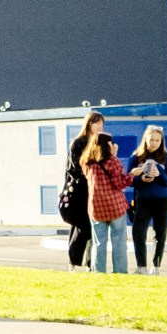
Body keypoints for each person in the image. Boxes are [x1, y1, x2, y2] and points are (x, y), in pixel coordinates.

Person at [61, 110, 105, 270]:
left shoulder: (102, 144)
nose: (99, 126)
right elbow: (73, 168)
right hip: (79, 192)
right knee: (81, 227)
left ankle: (89, 263)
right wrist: (89, 176)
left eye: (101, 123)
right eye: (96, 123)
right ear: (89, 124)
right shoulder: (78, 143)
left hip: (95, 191)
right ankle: (73, 262)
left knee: (92, 228)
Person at [83, 131, 131, 274]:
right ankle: (120, 272)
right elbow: (120, 183)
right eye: (111, 142)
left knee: (99, 243)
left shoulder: (86, 162)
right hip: (115, 207)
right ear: (107, 144)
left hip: (96, 208)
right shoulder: (113, 161)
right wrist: (132, 175)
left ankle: (99, 272)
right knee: (119, 242)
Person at [130, 125, 167, 275]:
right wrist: (141, 178)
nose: (154, 143)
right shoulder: (136, 156)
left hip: (162, 199)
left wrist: (159, 173)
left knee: (160, 233)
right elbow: (129, 179)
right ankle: (141, 266)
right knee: (138, 231)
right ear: (145, 139)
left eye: (157, 140)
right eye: (151, 140)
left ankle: (156, 266)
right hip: (144, 200)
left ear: (161, 141)